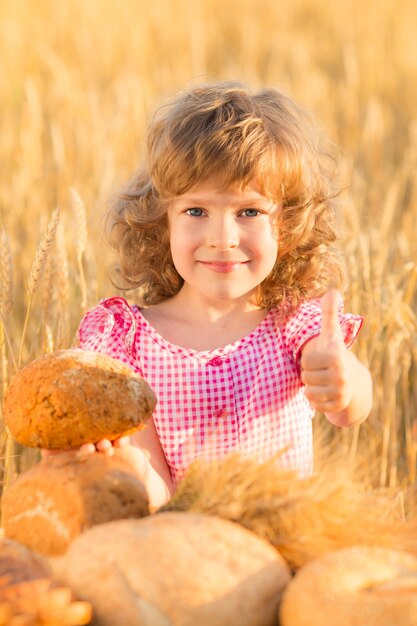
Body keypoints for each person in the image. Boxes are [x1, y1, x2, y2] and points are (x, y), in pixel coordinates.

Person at [71, 81, 373, 508]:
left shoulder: (294, 325)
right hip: (186, 552)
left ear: (286, 225)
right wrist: (126, 469)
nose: (222, 238)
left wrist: (344, 384)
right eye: (196, 211)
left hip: (283, 547)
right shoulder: (128, 341)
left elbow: (350, 408)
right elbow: (156, 493)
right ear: (164, 222)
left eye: (249, 211)